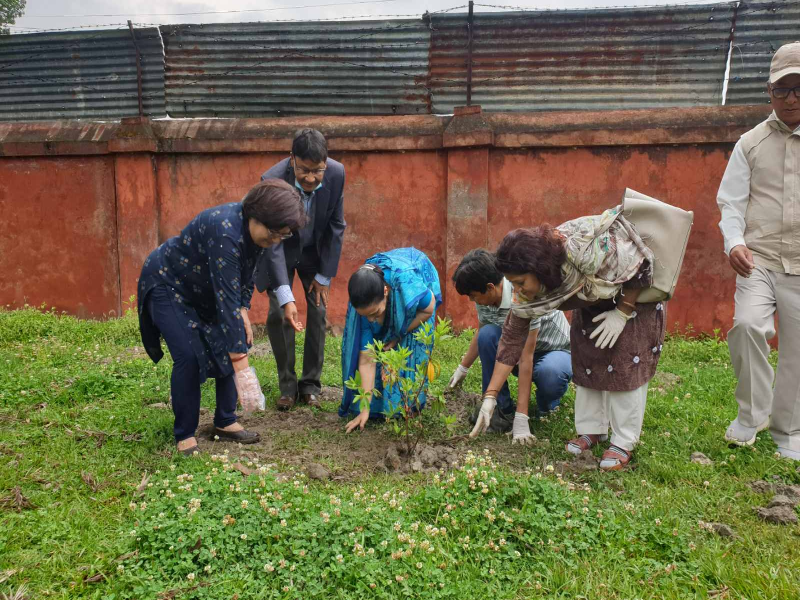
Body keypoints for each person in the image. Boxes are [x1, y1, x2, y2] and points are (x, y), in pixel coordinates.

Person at [470, 210, 665, 471]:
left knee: (624, 365)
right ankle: (592, 430)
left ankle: (623, 441)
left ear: (536, 267)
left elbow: (640, 264)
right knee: (587, 361)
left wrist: (622, 312)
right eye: (512, 284)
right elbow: (513, 335)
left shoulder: (581, 251)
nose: (518, 290)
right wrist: (490, 397)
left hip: (632, 301)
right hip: (593, 301)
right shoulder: (532, 290)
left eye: (520, 282)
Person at [138, 179, 306, 455]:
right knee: (189, 355)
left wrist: (243, 310)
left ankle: (225, 420)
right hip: (169, 282)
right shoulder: (225, 231)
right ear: (256, 216)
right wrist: (243, 368)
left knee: (233, 336)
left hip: (205, 286)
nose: (276, 240)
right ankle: (184, 433)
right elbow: (225, 299)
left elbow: (246, 275)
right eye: (274, 233)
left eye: (283, 235)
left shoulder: (257, 234)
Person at [716, 42, 800, 460]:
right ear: (769, 91)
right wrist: (735, 242)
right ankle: (750, 416)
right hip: (760, 263)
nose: (792, 98)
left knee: (798, 350)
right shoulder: (750, 144)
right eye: (783, 89)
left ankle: (788, 432)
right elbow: (731, 203)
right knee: (747, 326)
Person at [254, 129, 346, 410]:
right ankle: (287, 387)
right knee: (280, 312)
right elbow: (271, 243)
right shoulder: (271, 181)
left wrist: (323, 276)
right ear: (292, 160)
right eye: (304, 170)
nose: (310, 178)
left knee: (318, 310)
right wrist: (285, 293)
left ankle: (310, 385)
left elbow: (335, 226)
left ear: (326, 163)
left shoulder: (337, 174)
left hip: (313, 253)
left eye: (317, 171)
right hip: (278, 249)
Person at [448, 249, 572, 443]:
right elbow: (482, 332)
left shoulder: (523, 295)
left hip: (552, 350)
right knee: (489, 334)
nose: (472, 301)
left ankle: (547, 406)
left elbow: (525, 357)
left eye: (473, 296)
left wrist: (522, 417)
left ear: (490, 288)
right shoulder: (485, 300)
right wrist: (463, 367)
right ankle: (502, 409)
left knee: (550, 373)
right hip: (517, 349)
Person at [339, 247, 442, 434]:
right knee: (380, 347)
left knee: (411, 345)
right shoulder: (363, 301)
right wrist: (364, 409)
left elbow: (428, 308)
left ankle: (408, 404)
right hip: (387, 289)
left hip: (418, 292)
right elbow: (367, 359)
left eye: (375, 313)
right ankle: (377, 408)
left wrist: (399, 334)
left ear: (385, 292)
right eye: (365, 315)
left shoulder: (406, 285)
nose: (370, 320)